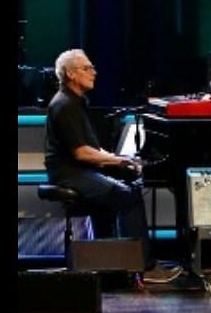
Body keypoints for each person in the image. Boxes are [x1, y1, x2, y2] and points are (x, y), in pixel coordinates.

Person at [44, 49, 148, 248]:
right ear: (70, 74)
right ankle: (139, 260)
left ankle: (111, 255)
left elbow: (90, 147)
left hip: (79, 171)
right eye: (87, 68)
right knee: (126, 195)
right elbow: (81, 152)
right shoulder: (64, 105)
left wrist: (114, 158)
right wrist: (120, 160)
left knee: (128, 185)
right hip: (69, 174)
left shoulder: (76, 102)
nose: (94, 72)